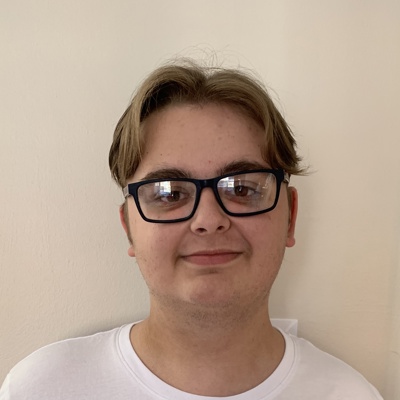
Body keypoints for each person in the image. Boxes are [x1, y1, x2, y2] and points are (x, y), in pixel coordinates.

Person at [0, 60, 383, 399]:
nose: (208, 219)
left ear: (291, 216)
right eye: (169, 193)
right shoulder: (40, 389)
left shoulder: (349, 394)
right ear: (129, 227)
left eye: (242, 188)